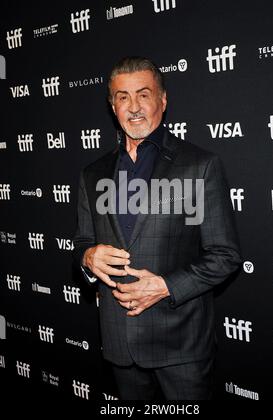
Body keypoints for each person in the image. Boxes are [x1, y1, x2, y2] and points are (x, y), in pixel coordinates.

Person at [73, 56, 242, 400]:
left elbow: (224, 255)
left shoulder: (198, 166)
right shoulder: (93, 174)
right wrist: (88, 258)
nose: (133, 107)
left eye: (143, 95)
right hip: (120, 346)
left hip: (181, 345)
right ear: (112, 105)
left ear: (163, 101)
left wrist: (165, 286)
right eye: (122, 97)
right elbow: (83, 243)